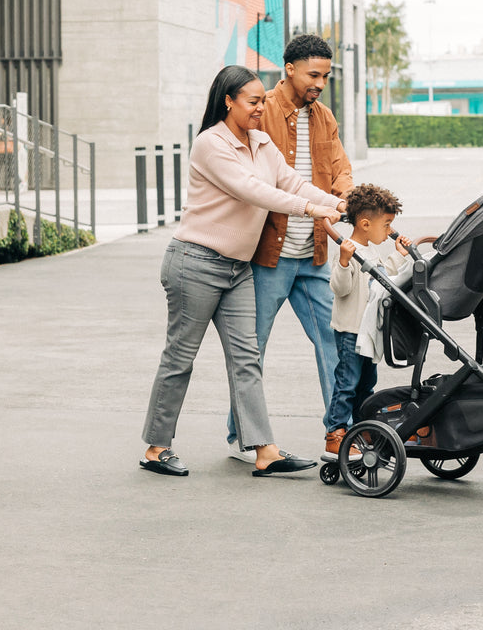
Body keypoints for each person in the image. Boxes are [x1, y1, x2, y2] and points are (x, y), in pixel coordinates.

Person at [140, 65, 343, 478]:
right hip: (195, 264)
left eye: (262, 101)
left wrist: (340, 205)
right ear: (228, 101)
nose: (260, 108)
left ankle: (264, 449)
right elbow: (253, 190)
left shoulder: (261, 142)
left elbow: (293, 181)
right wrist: (311, 209)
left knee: (246, 359)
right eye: (253, 101)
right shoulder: (210, 145)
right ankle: (156, 447)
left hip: (236, 270)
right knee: (180, 358)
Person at [225, 34, 354, 462]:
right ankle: (244, 437)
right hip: (267, 255)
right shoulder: (261, 112)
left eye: (326, 76)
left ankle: (341, 433)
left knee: (334, 345)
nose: (320, 82)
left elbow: (340, 172)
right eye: (314, 74)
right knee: (252, 349)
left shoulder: (325, 118)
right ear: (291, 69)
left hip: (314, 256)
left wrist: (354, 202)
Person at [326, 183, 412, 454]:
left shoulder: (371, 251)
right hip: (351, 330)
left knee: (366, 384)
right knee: (347, 384)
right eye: (386, 225)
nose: (389, 231)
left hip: (368, 331)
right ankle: (335, 433)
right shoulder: (348, 251)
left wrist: (398, 256)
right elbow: (340, 289)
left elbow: (382, 277)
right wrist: (342, 262)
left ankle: (362, 430)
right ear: (365, 224)